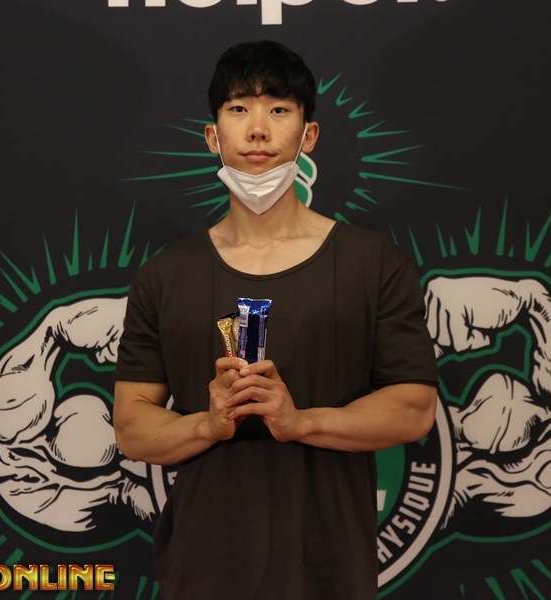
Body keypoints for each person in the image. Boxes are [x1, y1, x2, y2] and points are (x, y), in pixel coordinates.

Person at [113, 40, 438, 600]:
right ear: (212, 136)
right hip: (201, 569)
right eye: (239, 109)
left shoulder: (372, 262)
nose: (258, 130)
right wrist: (208, 424)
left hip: (329, 572)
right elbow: (131, 426)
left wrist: (300, 422)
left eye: (279, 109)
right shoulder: (164, 276)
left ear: (308, 135)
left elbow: (413, 409)